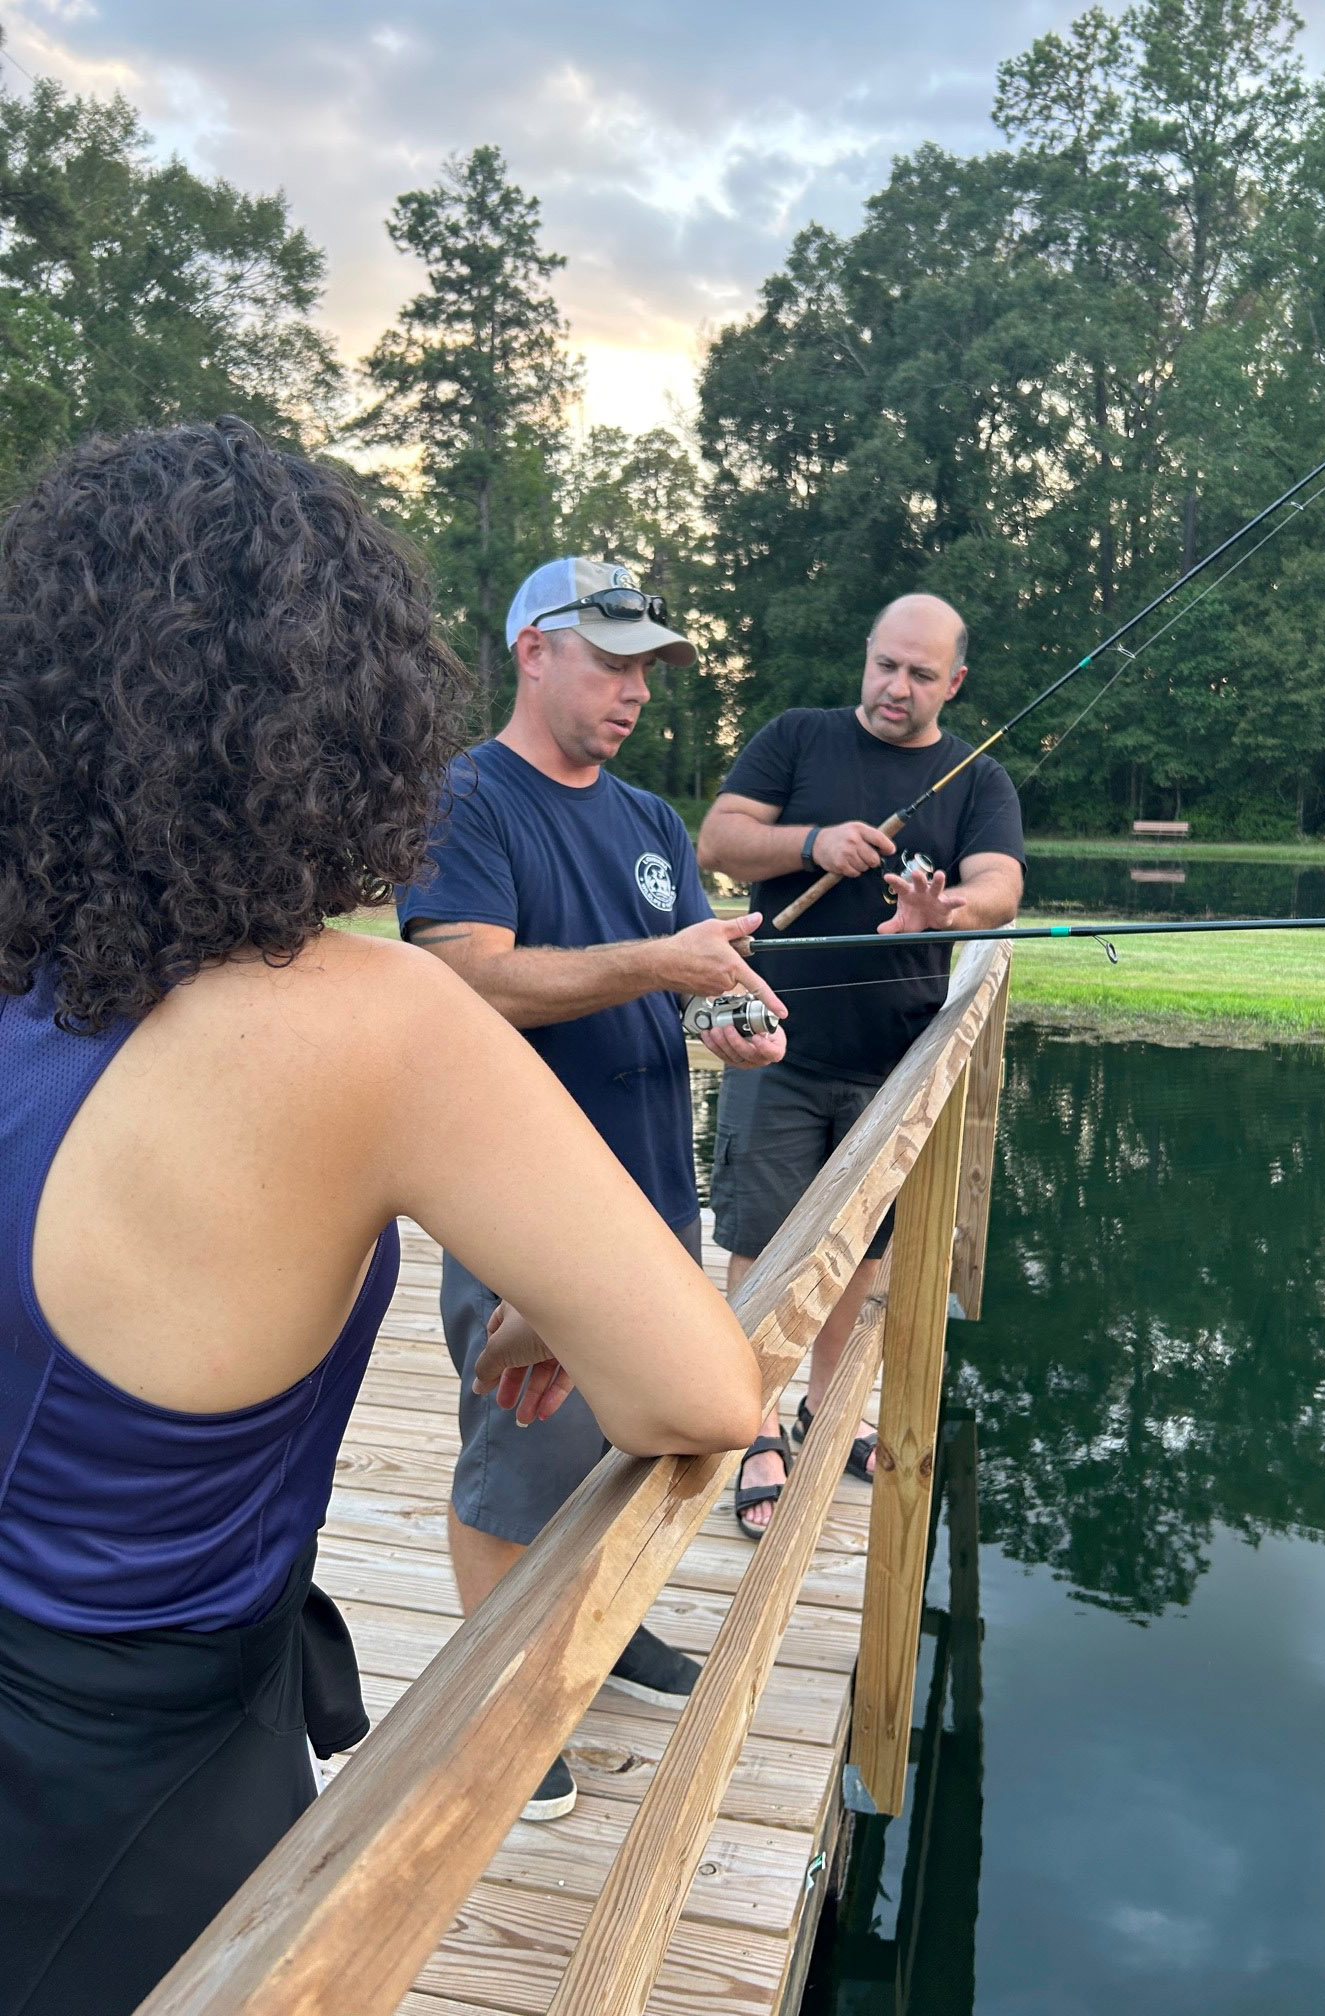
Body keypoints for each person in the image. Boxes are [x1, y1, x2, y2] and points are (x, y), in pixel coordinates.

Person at [0, 420, 763, 2016]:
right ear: (340, 711)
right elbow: (700, 1392)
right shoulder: (375, 1021)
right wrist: (578, 1287)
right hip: (143, 1786)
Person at [395, 555, 786, 1818]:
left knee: (633, 1442)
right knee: (514, 1463)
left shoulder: (655, 822)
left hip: (658, 1192)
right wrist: (658, 966)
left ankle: (602, 1634)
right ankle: (499, 1706)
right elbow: (469, 981)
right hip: (526, 1209)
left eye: (646, 671)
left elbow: (676, 975)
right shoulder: (466, 801)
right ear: (533, 653)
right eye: (610, 662)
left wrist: (728, 1014)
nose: (633, 693)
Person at [697, 593, 1025, 1535]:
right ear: (867, 658)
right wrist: (813, 844)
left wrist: (944, 912)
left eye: (923, 674)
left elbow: (1000, 884)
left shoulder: (976, 777)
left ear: (952, 683)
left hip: (897, 1061)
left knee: (865, 1254)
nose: (898, 686)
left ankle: (826, 1414)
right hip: (776, 1047)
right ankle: (753, 1426)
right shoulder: (798, 739)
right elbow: (721, 837)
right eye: (887, 665)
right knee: (760, 1239)